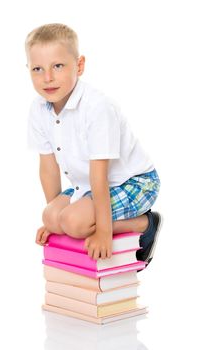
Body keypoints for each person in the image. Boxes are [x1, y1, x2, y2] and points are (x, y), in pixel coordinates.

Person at [25, 23, 162, 270]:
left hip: (134, 182)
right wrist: (56, 223)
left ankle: (145, 223)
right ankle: (70, 221)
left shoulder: (97, 107)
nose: (47, 78)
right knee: (51, 216)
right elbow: (47, 167)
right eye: (37, 69)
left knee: (75, 224)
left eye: (58, 66)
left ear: (79, 65)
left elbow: (99, 174)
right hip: (88, 186)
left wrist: (102, 231)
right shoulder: (38, 109)